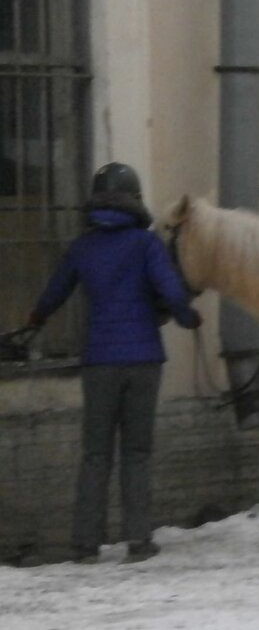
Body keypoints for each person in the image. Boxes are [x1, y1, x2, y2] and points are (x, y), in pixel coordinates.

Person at [26, 162, 203, 563]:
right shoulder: (146, 245)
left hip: (99, 363)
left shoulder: (82, 246)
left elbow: (55, 291)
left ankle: (86, 544)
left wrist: (36, 318)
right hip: (143, 362)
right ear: (135, 200)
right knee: (137, 452)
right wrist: (188, 317)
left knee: (95, 453)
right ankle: (138, 540)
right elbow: (171, 291)